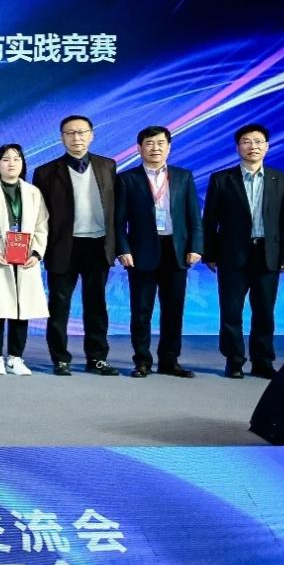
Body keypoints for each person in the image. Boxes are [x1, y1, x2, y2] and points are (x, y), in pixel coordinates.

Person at [203, 123, 284, 379]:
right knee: (231, 312)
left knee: (264, 312)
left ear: (266, 146)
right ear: (238, 147)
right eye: (246, 141)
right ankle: (234, 361)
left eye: (258, 142)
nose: (252, 146)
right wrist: (209, 253)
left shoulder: (280, 179)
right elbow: (209, 220)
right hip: (231, 255)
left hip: (268, 254)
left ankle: (262, 361)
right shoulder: (221, 179)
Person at [32, 115, 120, 376]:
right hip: (63, 246)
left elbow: (116, 208)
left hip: (98, 245)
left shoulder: (108, 165)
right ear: (62, 138)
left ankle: (97, 358)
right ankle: (60, 358)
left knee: (96, 305)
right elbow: (39, 216)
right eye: (70, 133)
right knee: (59, 305)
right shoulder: (45, 172)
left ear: (92, 135)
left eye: (82, 132)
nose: (76, 138)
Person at [114, 127, 203, 379]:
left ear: (169, 147)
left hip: (176, 251)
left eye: (161, 143)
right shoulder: (127, 179)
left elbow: (194, 217)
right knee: (141, 311)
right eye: (149, 143)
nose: (155, 148)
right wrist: (123, 249)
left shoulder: (183, 176)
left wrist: (196, 246)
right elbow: (118, 221)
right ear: (139, 148)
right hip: (141, 252)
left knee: (173, 310)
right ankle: (142, 361)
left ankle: (170, 361)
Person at [0, 144, 49, 376]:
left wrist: (36, 253)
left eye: (16, 159)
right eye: (6, 159)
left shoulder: (33, 192)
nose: (11, 163)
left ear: (23, 164)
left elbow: (41, 226)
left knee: (22, 310)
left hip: (25, 258)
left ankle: (15, 358)